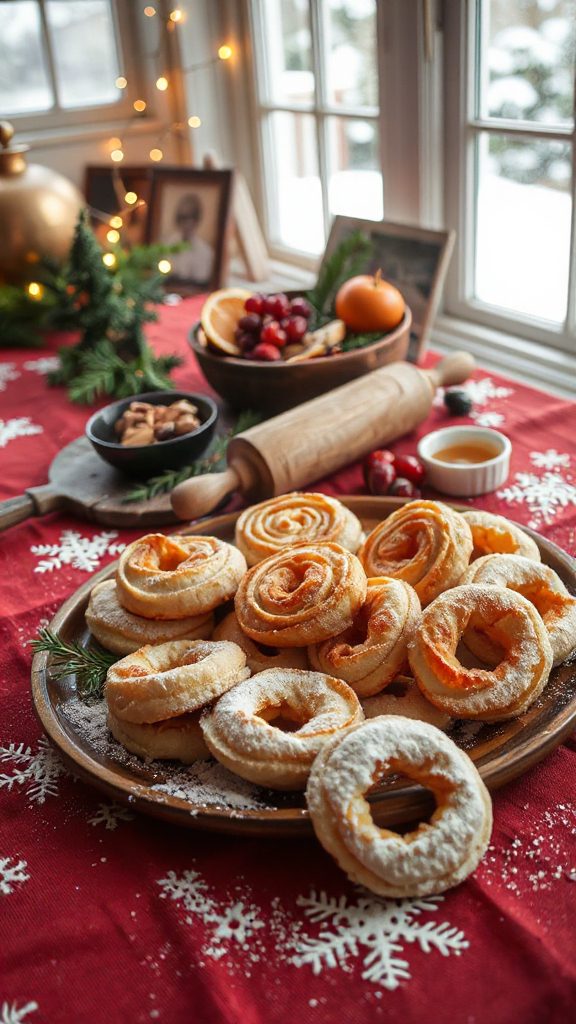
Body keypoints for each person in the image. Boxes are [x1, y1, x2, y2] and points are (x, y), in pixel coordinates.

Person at [166, 192, 214, 285]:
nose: (185, 223)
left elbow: (202, 280)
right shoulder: (168, 244)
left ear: (196, 220)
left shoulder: (205, 251)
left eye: (189, 217)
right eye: (182, 217)